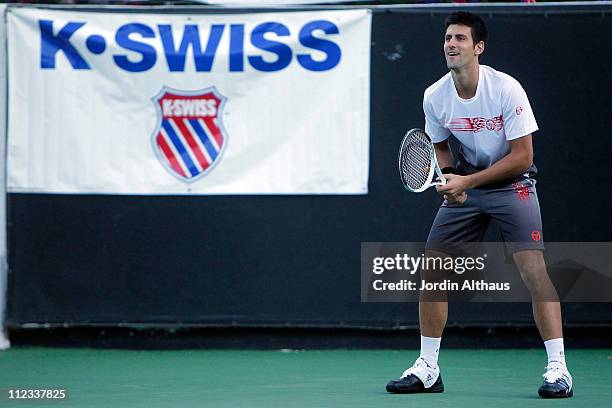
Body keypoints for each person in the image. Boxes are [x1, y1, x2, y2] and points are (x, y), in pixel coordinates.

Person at [386, 11, 573, 398]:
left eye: (460, 39)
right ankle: (428, 369)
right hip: (467, 184)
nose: (451, 45)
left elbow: (523, 156)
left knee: (533, 268)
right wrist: (451, 176)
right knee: (433, 268)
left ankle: (558, 369)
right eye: (447, 38)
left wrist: (468, 181)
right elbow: (438, 144)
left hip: (513, 184)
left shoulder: (506, 89)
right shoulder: (435, 95)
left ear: (479, 47)